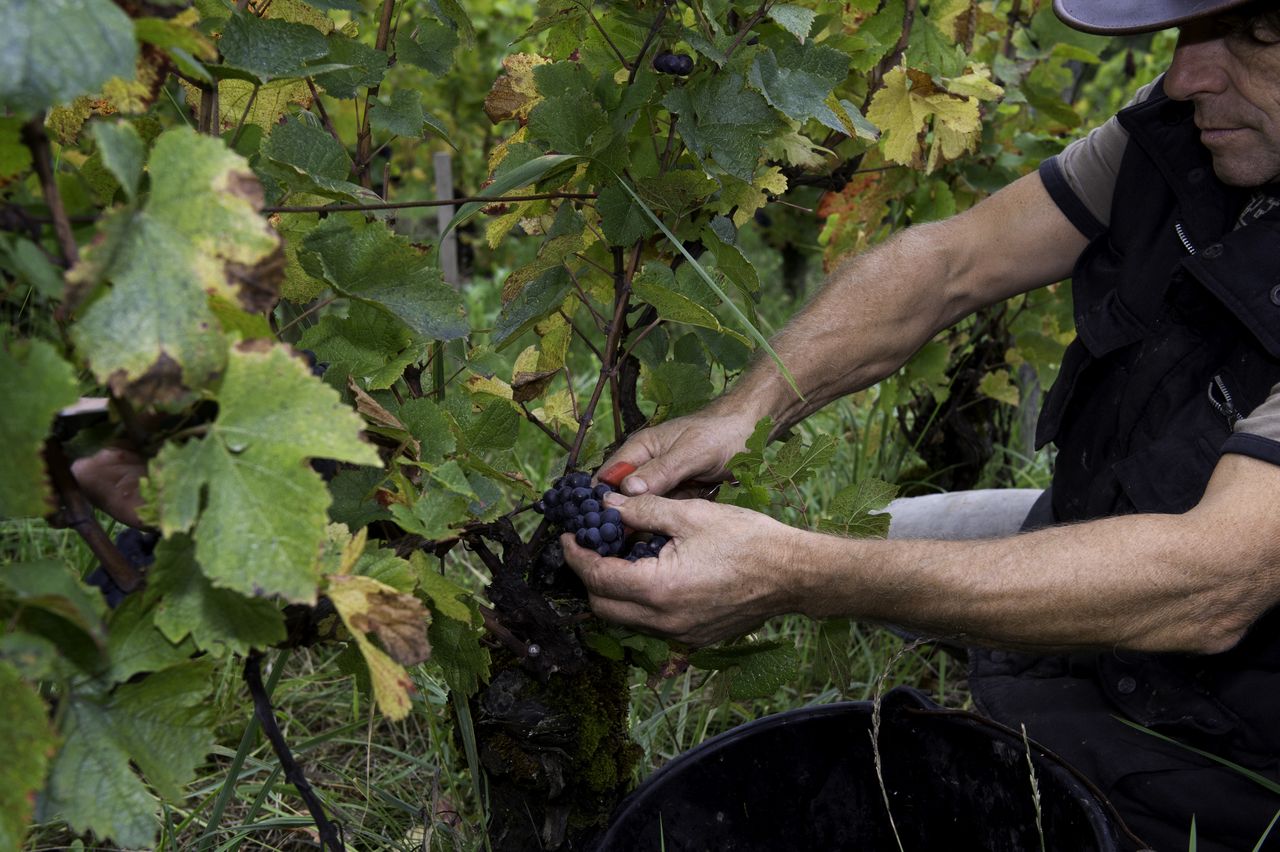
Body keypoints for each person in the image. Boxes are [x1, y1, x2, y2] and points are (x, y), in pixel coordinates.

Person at [563, 1, 1280, 849]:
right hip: (1106, 536)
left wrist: (797, 575)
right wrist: (742, 411)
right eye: (1185, 36)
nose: (1186, 76)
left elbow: (1213, 580)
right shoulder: (1175, 137)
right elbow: (949, 263)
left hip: (1237, 730)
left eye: (1255, 36)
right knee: (854, 546)